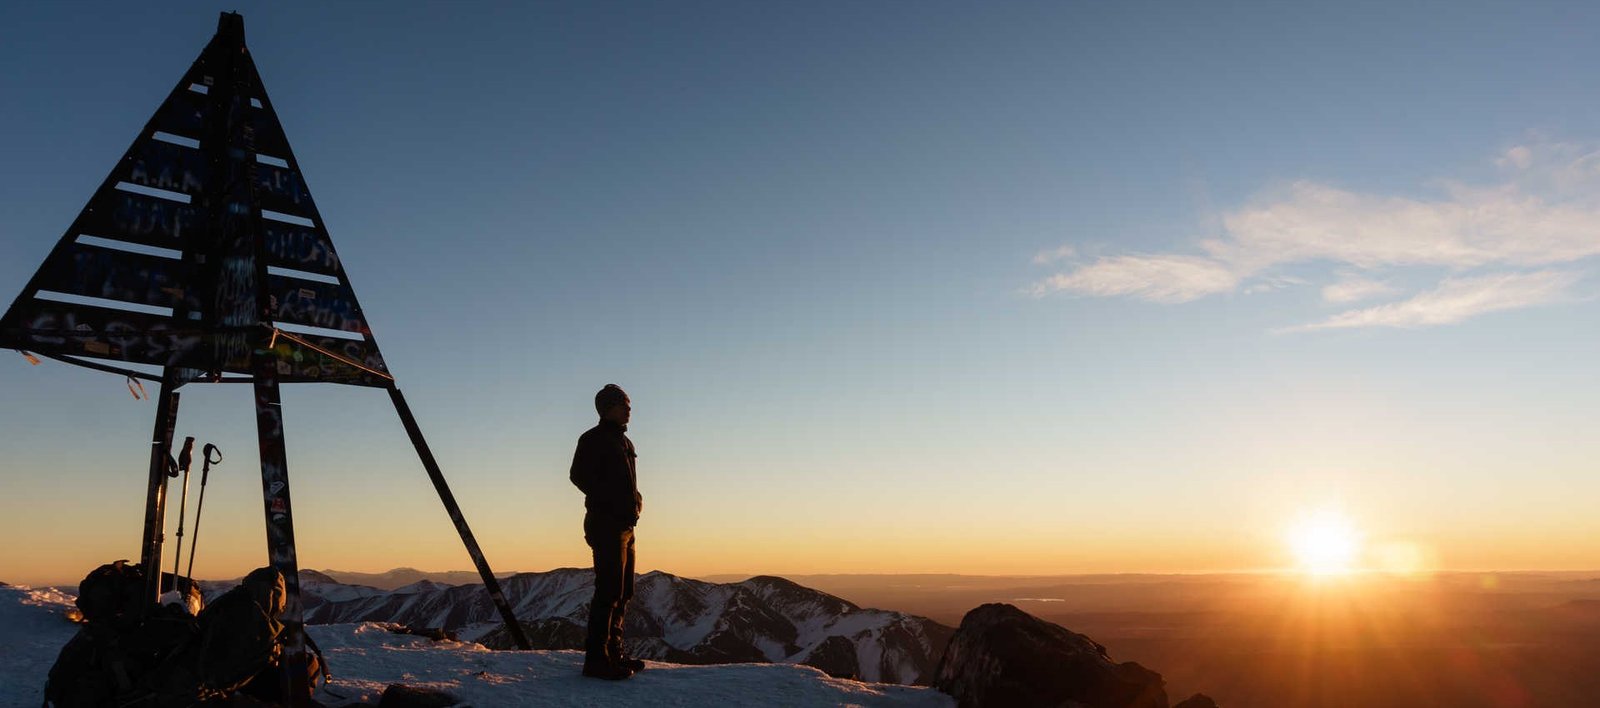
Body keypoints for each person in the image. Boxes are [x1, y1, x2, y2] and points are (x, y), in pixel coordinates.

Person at [569, 384, 645, 680]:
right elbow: (578, 475)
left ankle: (614, 652)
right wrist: (612, 500)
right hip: (606, 524)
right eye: (625, 404)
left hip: (626, 525)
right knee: (608, 591)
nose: (629, 409)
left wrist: (636, 500)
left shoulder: (624, 442)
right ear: (608, 407)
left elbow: (626, 483)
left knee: (624, 590)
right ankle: (596, 660)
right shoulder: (593, 439)